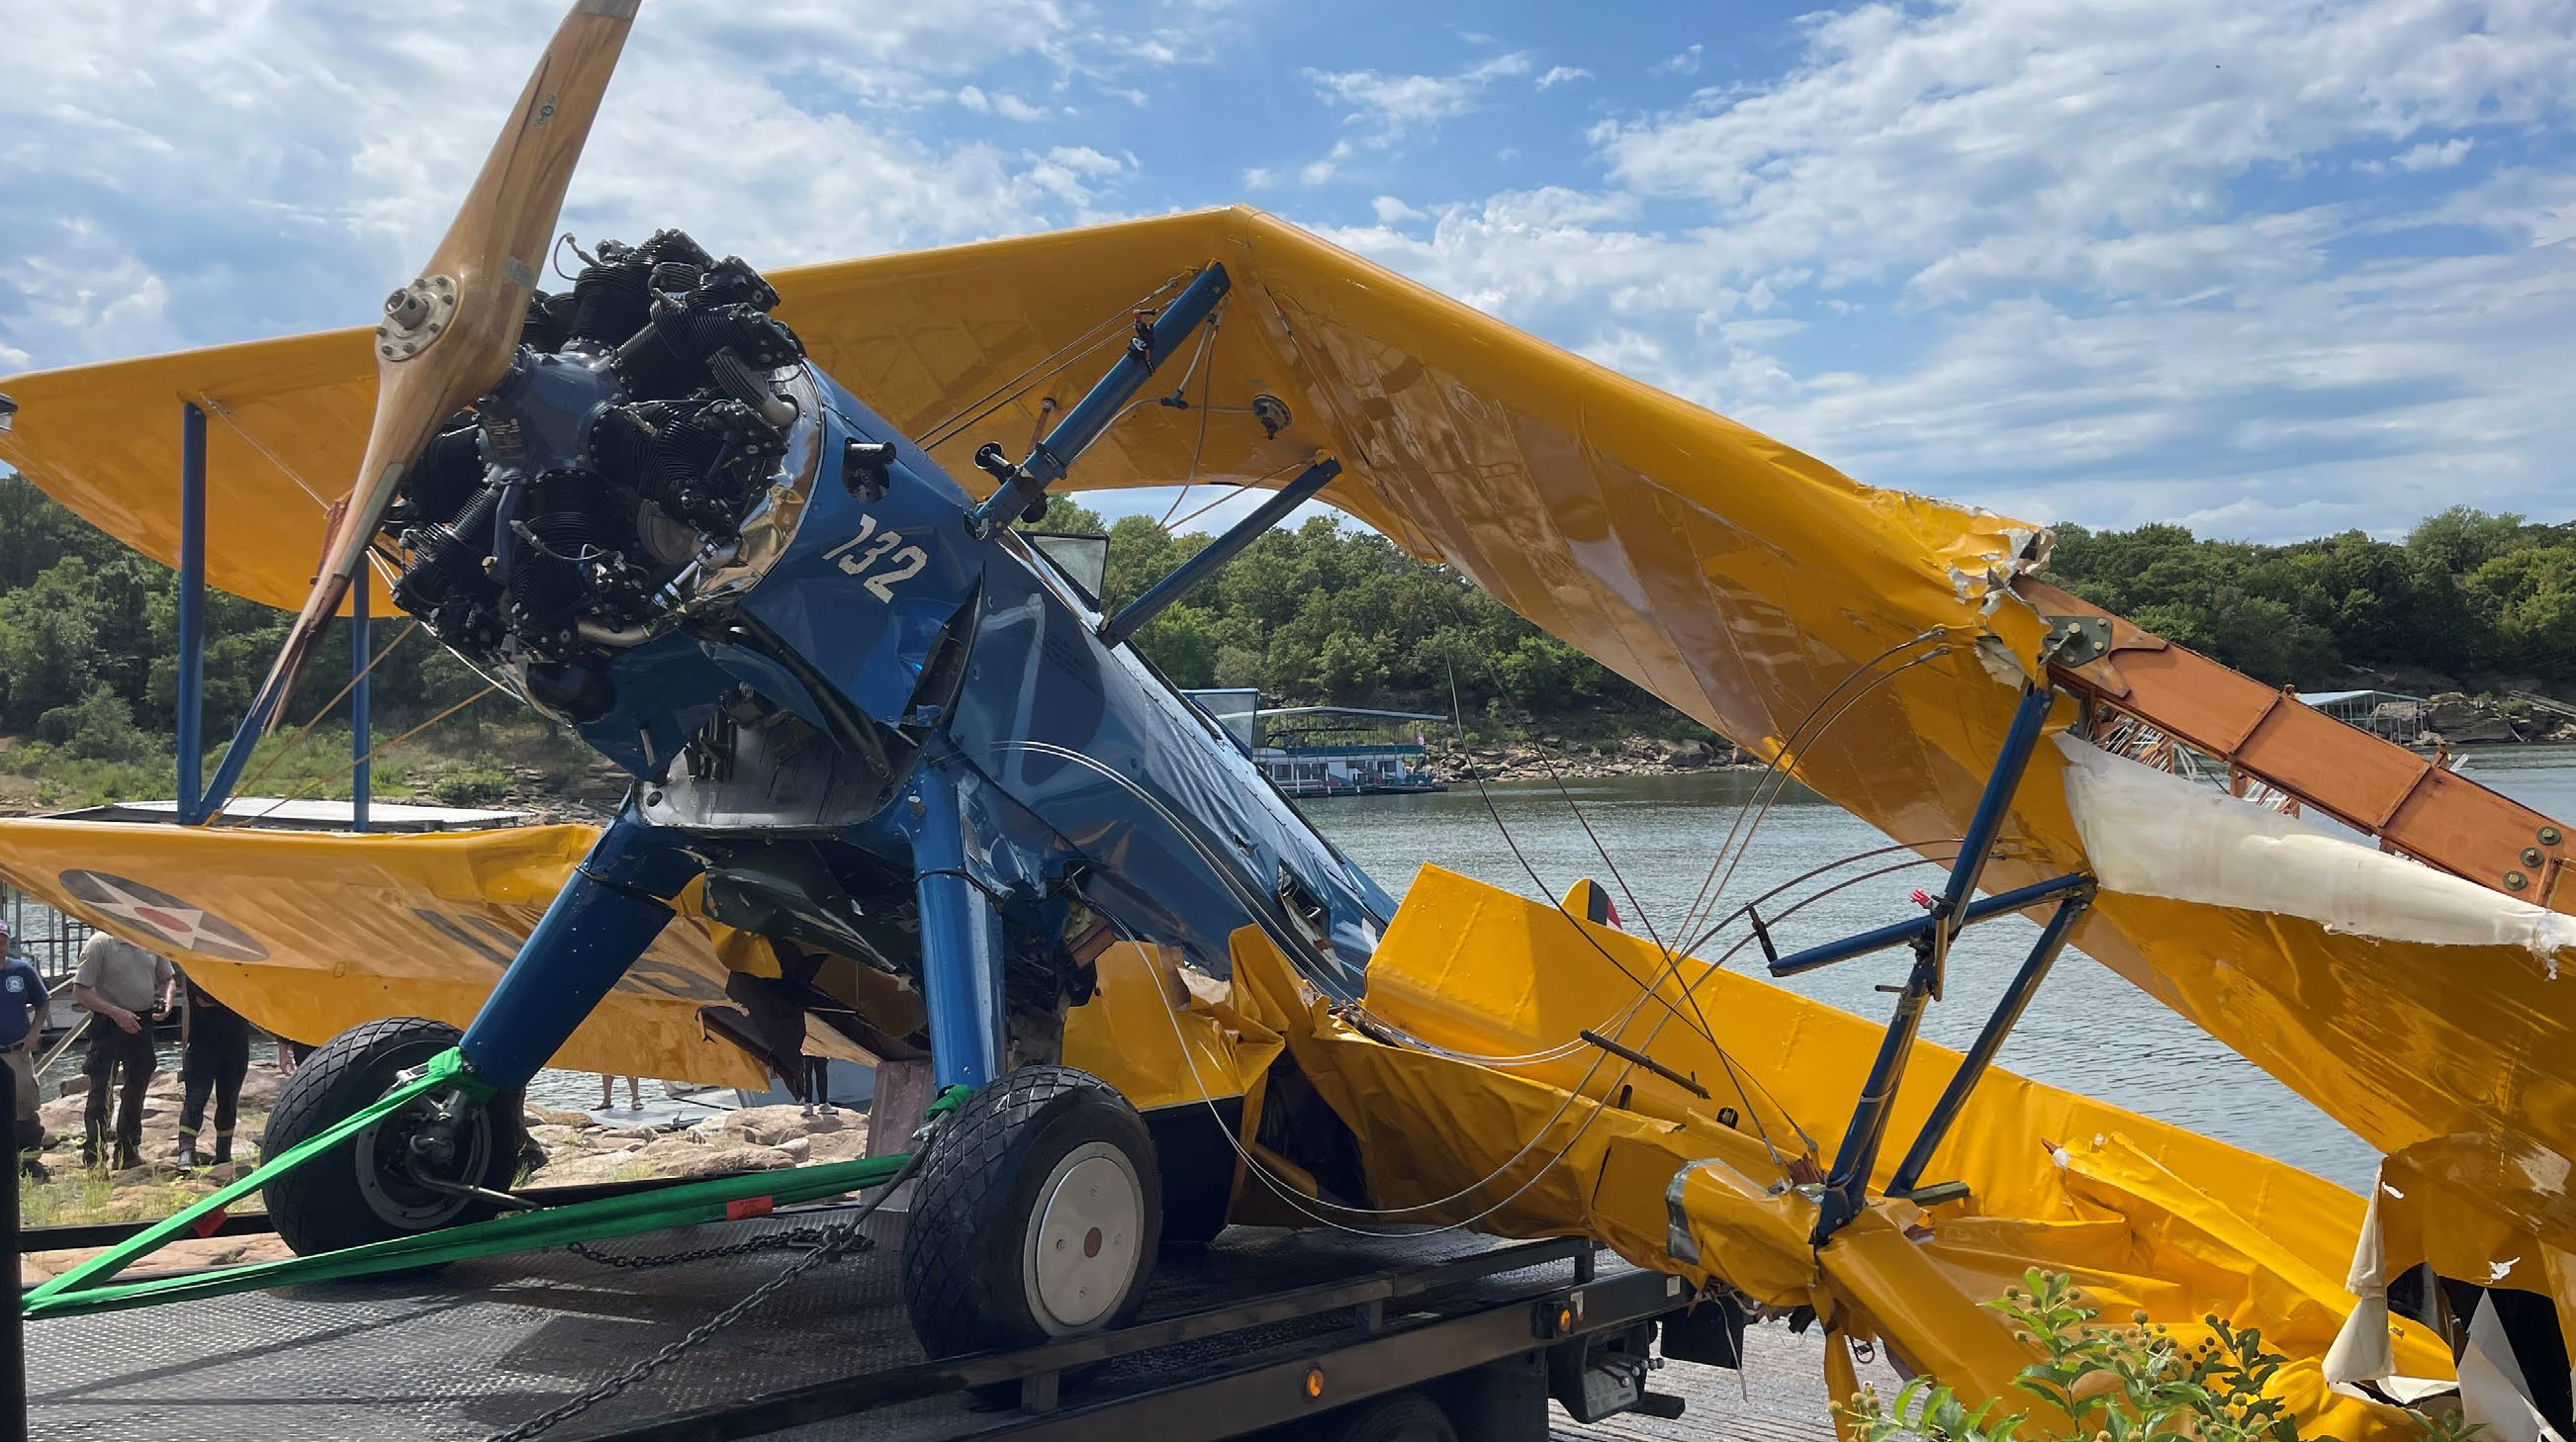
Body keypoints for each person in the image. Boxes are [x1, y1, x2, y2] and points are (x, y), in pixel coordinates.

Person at [72, 930, 173, 1170]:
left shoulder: (149, 938)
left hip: (142, 1023)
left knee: (136, 1091)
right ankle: (95, 1158)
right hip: (108, 1024)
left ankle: (128, 1151)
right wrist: (115, 1013)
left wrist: (167, 999)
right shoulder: (101, 943)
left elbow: (167, 978)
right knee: (101, 1094)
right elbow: (81, 990)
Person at [174, 970, 251, 1168]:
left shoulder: (240, 968)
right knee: (195, 1099)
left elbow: (253, 996)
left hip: (236, 1046)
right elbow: (206, 998)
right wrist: (237, 998)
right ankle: (186, 1152)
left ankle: (223, 1154)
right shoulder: (196, 967)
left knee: (229, 1100)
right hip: (202, 1047)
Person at [0, 920, 52, 1179]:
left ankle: (30, 1163)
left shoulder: (21, 971)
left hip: (16, 1052)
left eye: (2, 939)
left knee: (25, 1106)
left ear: (8, 942)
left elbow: (43, 1001)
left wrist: (35, 1032)